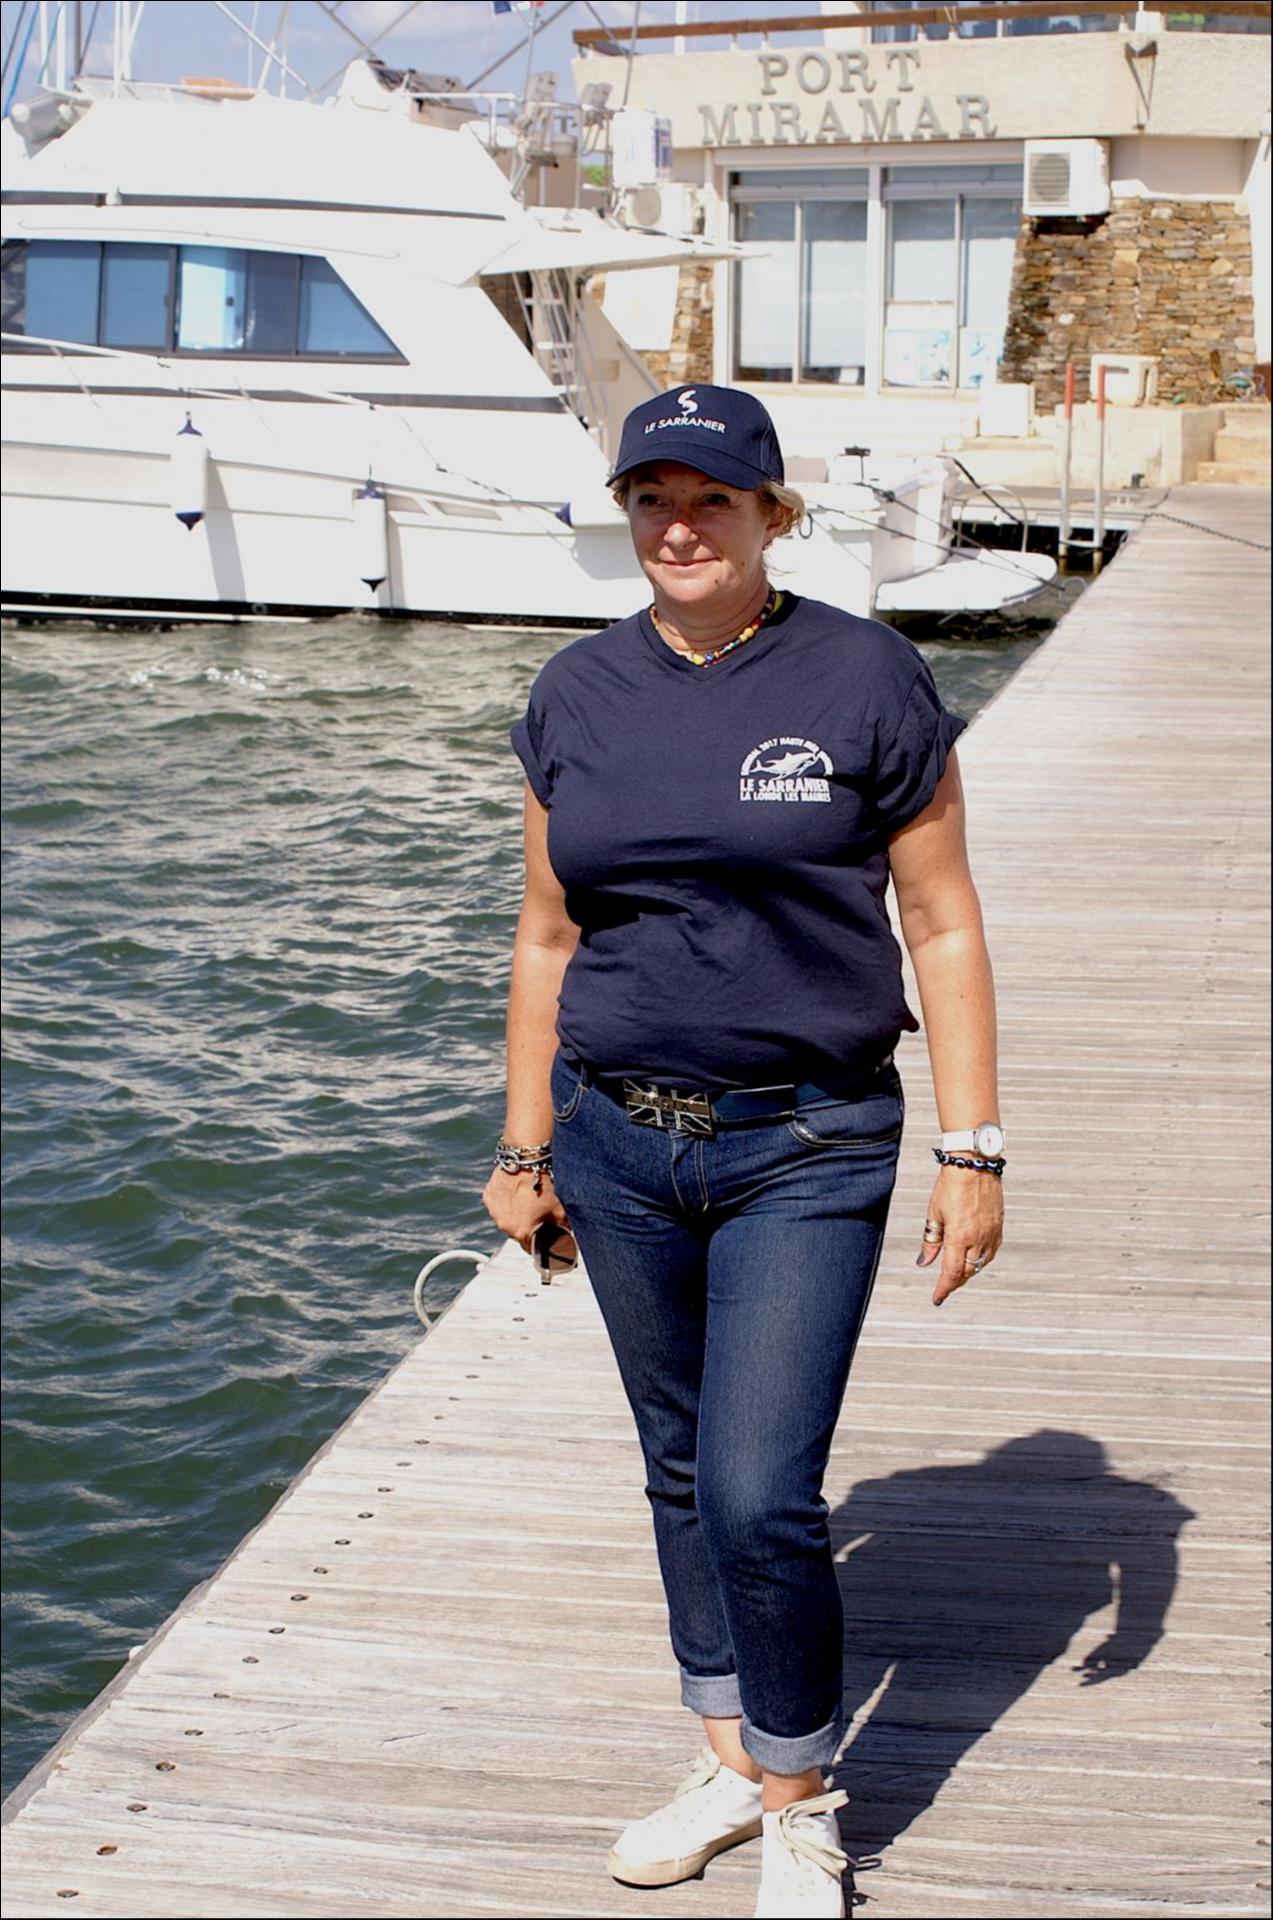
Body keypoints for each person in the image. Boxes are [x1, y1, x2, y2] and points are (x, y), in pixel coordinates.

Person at [483, 385, 1005, 1918]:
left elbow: (944, 919)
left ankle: (799, 1801)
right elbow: (543, 936)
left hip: (808, 1140)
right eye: (651, 496)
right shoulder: (574, 695)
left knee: (760, 1486)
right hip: (618, 1139)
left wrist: (971, 1150)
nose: (680, 525)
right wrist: (524, 1144)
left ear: (773, 514)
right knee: (676, 1470)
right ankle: (732, 1750)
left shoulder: (863, 676)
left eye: (712, 498)